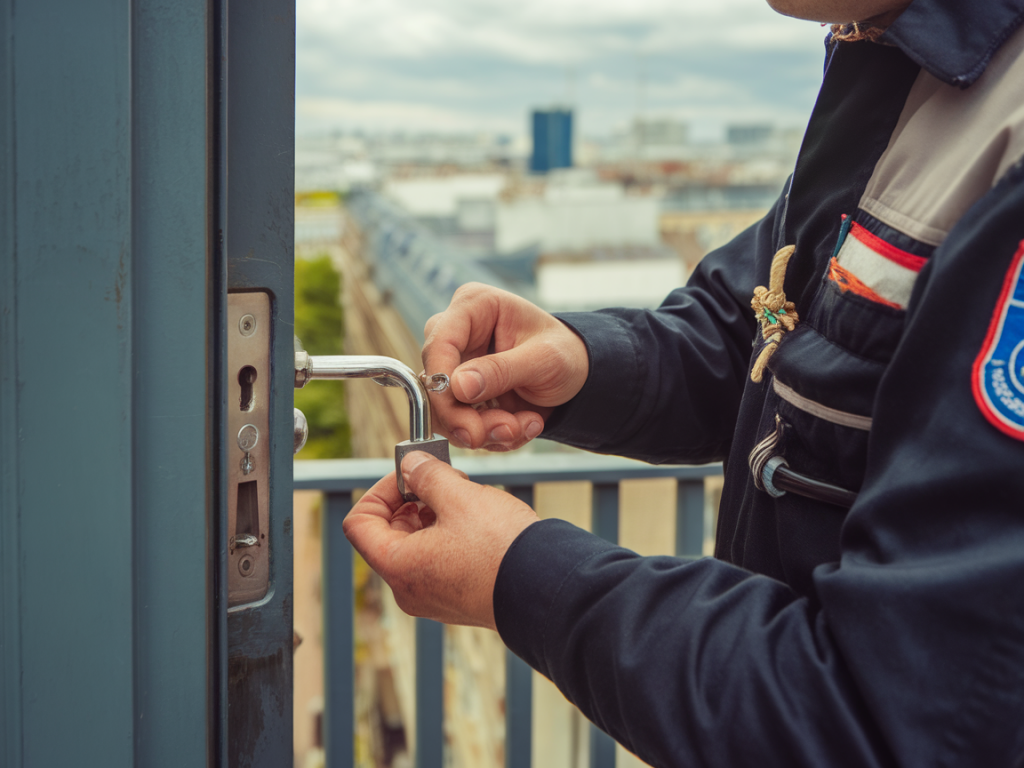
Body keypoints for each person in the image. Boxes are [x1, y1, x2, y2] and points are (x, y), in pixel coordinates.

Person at [343, 0, 1024, 763]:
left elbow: (890, 721)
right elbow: (765, 331)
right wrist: (578, 359)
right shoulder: (900, 68)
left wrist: (519, 574)